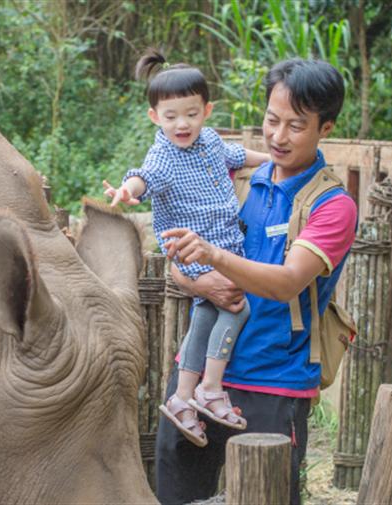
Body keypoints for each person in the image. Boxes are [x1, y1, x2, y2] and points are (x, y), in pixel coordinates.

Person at [155, 58, 358, 505]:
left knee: (267, 497)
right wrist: (201, 283)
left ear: (325, 128)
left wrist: (213, 256)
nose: (278, 136)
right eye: (271, 120)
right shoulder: (232, 180)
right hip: (196, 377)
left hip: (274, 382)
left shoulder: (332, 206)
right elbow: (177, 265)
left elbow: (287, 283)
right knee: (175, 497)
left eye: (296, 126)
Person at [103, 49, 270, 447]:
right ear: (155, 117)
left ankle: (181, 397)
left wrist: (274, 161)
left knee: (207, 313)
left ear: (206, 111)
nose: (182, 124)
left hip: (222, 245)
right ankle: (209, 388)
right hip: (191, 249)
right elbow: (144, 178)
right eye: (171, 116)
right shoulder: (163, 155)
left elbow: (238, 155)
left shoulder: (210, 141)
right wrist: (127, 191)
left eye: (191, 114)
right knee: (237, 306)